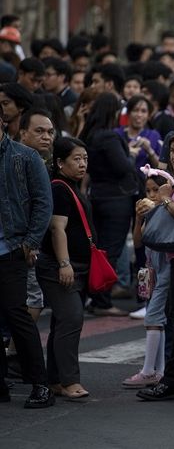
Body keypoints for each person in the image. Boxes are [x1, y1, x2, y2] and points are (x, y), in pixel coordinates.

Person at [0, 102, 54, 408]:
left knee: (17, 316)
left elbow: (43, 204)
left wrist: (30, 242)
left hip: (11, 249)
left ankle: (41, 385)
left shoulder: (25, 157)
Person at [35, 137, 91, 400]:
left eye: (85, 158)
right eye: (76, 159)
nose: (82, 164)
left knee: (61, 322)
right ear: (60, 162)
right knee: (71, 318)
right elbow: (57, 229)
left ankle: (55, 379)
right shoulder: (59, 188)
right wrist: (64, 263)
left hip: (76, 266)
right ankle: (69, 381)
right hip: (58, 266)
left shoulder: (72, 186)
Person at [79, 93, 138, 316]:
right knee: (111, 250)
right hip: (116, 199)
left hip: (98, 196)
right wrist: (131, 155)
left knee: (99, 248)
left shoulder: (90, 134)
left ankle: (94, 295)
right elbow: (123, 167)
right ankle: (102, 300)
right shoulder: (110, 137)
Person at [123, 168, 172, 388]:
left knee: (153, 317)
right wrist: (139, 216)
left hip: (167, 268)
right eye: (148, 190)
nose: (151, 195)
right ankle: (159, 370)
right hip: (152, 269)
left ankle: (148, 371)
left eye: (156, 190)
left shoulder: (169, 209)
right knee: (157, 319)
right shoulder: (148, 212)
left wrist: (161, 205)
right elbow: (138, 242)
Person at [115, 95, 161, 169]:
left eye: (143, 111)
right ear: (128, 113)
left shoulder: (154, 135)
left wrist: (150, 151)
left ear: (148, 115)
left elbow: (161, 167)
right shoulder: (116, 134)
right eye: (135, 110)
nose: (139, 115)